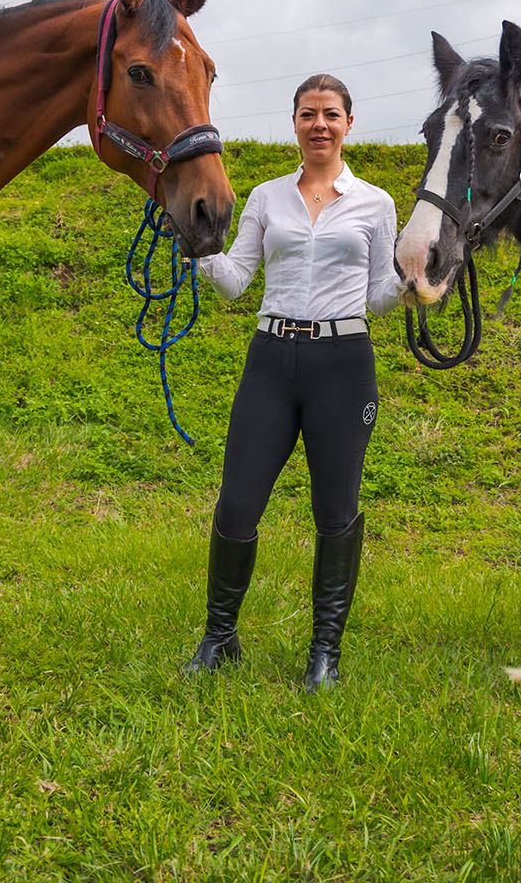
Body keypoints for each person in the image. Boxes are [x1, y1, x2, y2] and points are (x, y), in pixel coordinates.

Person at [184, 73, 402, 690]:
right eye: (308, 114)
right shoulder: (266, 197)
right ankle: (219, 638)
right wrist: (198, 244)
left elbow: (379, 295)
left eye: (330, 114)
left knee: (336, 512)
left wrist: (416, 286)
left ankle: (324, 656)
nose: (319, 125)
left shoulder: (375, 204)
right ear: (296, 123)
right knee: (236, 505)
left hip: (343, 364)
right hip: (271, 360)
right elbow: (234, 281)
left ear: (348, 124)